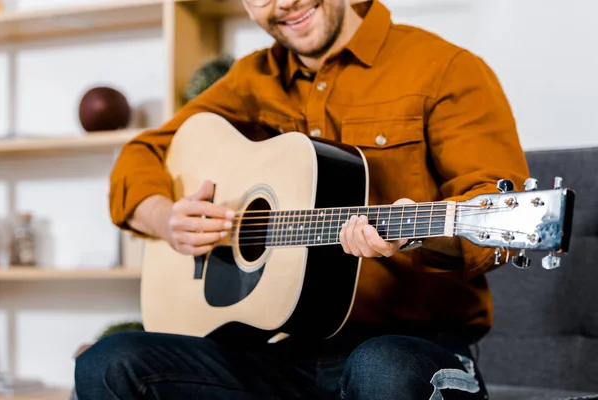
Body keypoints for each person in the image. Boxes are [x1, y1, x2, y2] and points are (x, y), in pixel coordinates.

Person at [74, 0, 530, 398]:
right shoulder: (252, 79)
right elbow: (143, 151)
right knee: (109, 362)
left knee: (383, 366)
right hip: (285, 354)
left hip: (415, 347)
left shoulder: (444, 68)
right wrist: (166, 218)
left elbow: (493, 213)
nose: (285, 3)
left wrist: (416, 236)